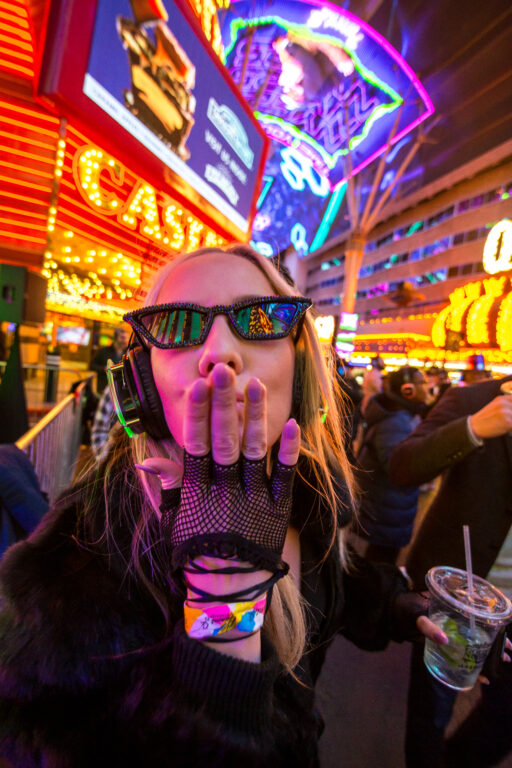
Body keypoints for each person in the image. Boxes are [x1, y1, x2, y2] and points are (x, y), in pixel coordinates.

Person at [0, 245, 446, 767]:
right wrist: (223, 609)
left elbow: (328, 585)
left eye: (259, 320)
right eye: (177, 326)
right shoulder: (80, 560)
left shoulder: (307, 490)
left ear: (301, 368)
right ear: (142, 382)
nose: (219, 353)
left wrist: (400, 606)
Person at [389, 374, 512, 768]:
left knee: (504, 717)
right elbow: (402, 466)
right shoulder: (473, 399)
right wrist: (472, 429)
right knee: (432, 712)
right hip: (457, 601)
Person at [354, 366, 429, 564]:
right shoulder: (396, 422)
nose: (427, 387)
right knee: (376, 566)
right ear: (407, 390)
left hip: (389, 507)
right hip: (384, 510)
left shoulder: (405, 416)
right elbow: (396, 467)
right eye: (422, 383)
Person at [90, 326, 129, 392]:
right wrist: (104, 368)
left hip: (121, 390)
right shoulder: (103, 351)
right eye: (122, 338)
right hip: (104, 388)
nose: (125, 341)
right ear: (115, 338)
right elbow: (92, 365)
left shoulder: (128, 353)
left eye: (126, 338)